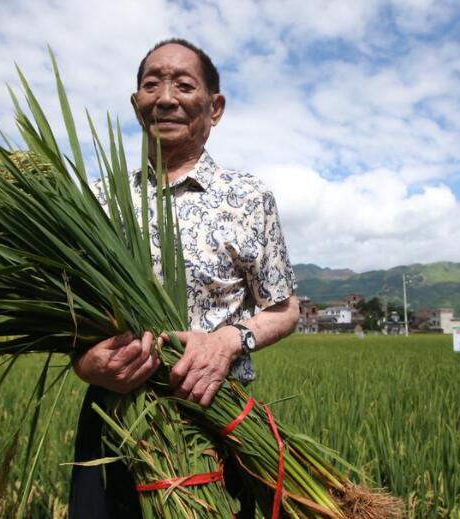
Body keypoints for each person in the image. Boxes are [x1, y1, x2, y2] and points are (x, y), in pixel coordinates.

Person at [68, 38, 299, 519]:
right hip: (115, 422)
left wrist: (228, 342)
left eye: (184, 84)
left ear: (215, 108)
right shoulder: (98, 201)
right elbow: (68, 310)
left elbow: (283, 308)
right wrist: (85, 361)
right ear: (137, 105)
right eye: (151, 84)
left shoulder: (248, 197)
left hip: (215, 420)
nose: (166, 97)